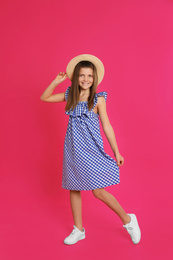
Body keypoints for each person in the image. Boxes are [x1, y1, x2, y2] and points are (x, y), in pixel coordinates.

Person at [40, 54, 141, 245]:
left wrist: (116, 151)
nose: (86, 79)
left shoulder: (98, 99)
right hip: (72, 149)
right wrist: (56, 81)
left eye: (90, 76)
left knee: (98, 191)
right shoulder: (70, 95)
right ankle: (78, 229)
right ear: (76, 77)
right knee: (73, 187)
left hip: (91, 149)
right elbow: (44, 98)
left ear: (94, 79)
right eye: (82, 75)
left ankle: (128, 220)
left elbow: (107, 127)